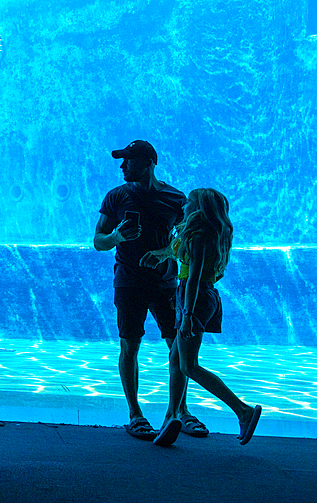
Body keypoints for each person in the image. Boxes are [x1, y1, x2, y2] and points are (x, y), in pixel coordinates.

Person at [93, 140, 204, 440]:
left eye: (128, 160)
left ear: (149, 162)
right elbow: (97, 241)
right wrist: (115, 236)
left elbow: (187, 240)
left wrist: (167, 252)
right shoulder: (115, 197)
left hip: (165, 284)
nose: (122, 166)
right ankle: (135, 414)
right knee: (129, 345)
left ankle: (180, 410)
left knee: (178, 347)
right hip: (128, 282)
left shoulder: (175, 199)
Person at [141, 188, 262, 446]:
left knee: (189, 365)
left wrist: (186, 313)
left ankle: (243, 410)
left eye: (189, 203)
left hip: (193, 298)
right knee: (175, 357)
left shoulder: (199, 236)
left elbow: (193, 278)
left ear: (199, 208)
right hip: (200, 296)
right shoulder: (208, 233)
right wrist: (162, 254)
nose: (184, 206)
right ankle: (171, 418)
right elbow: (181, 257)